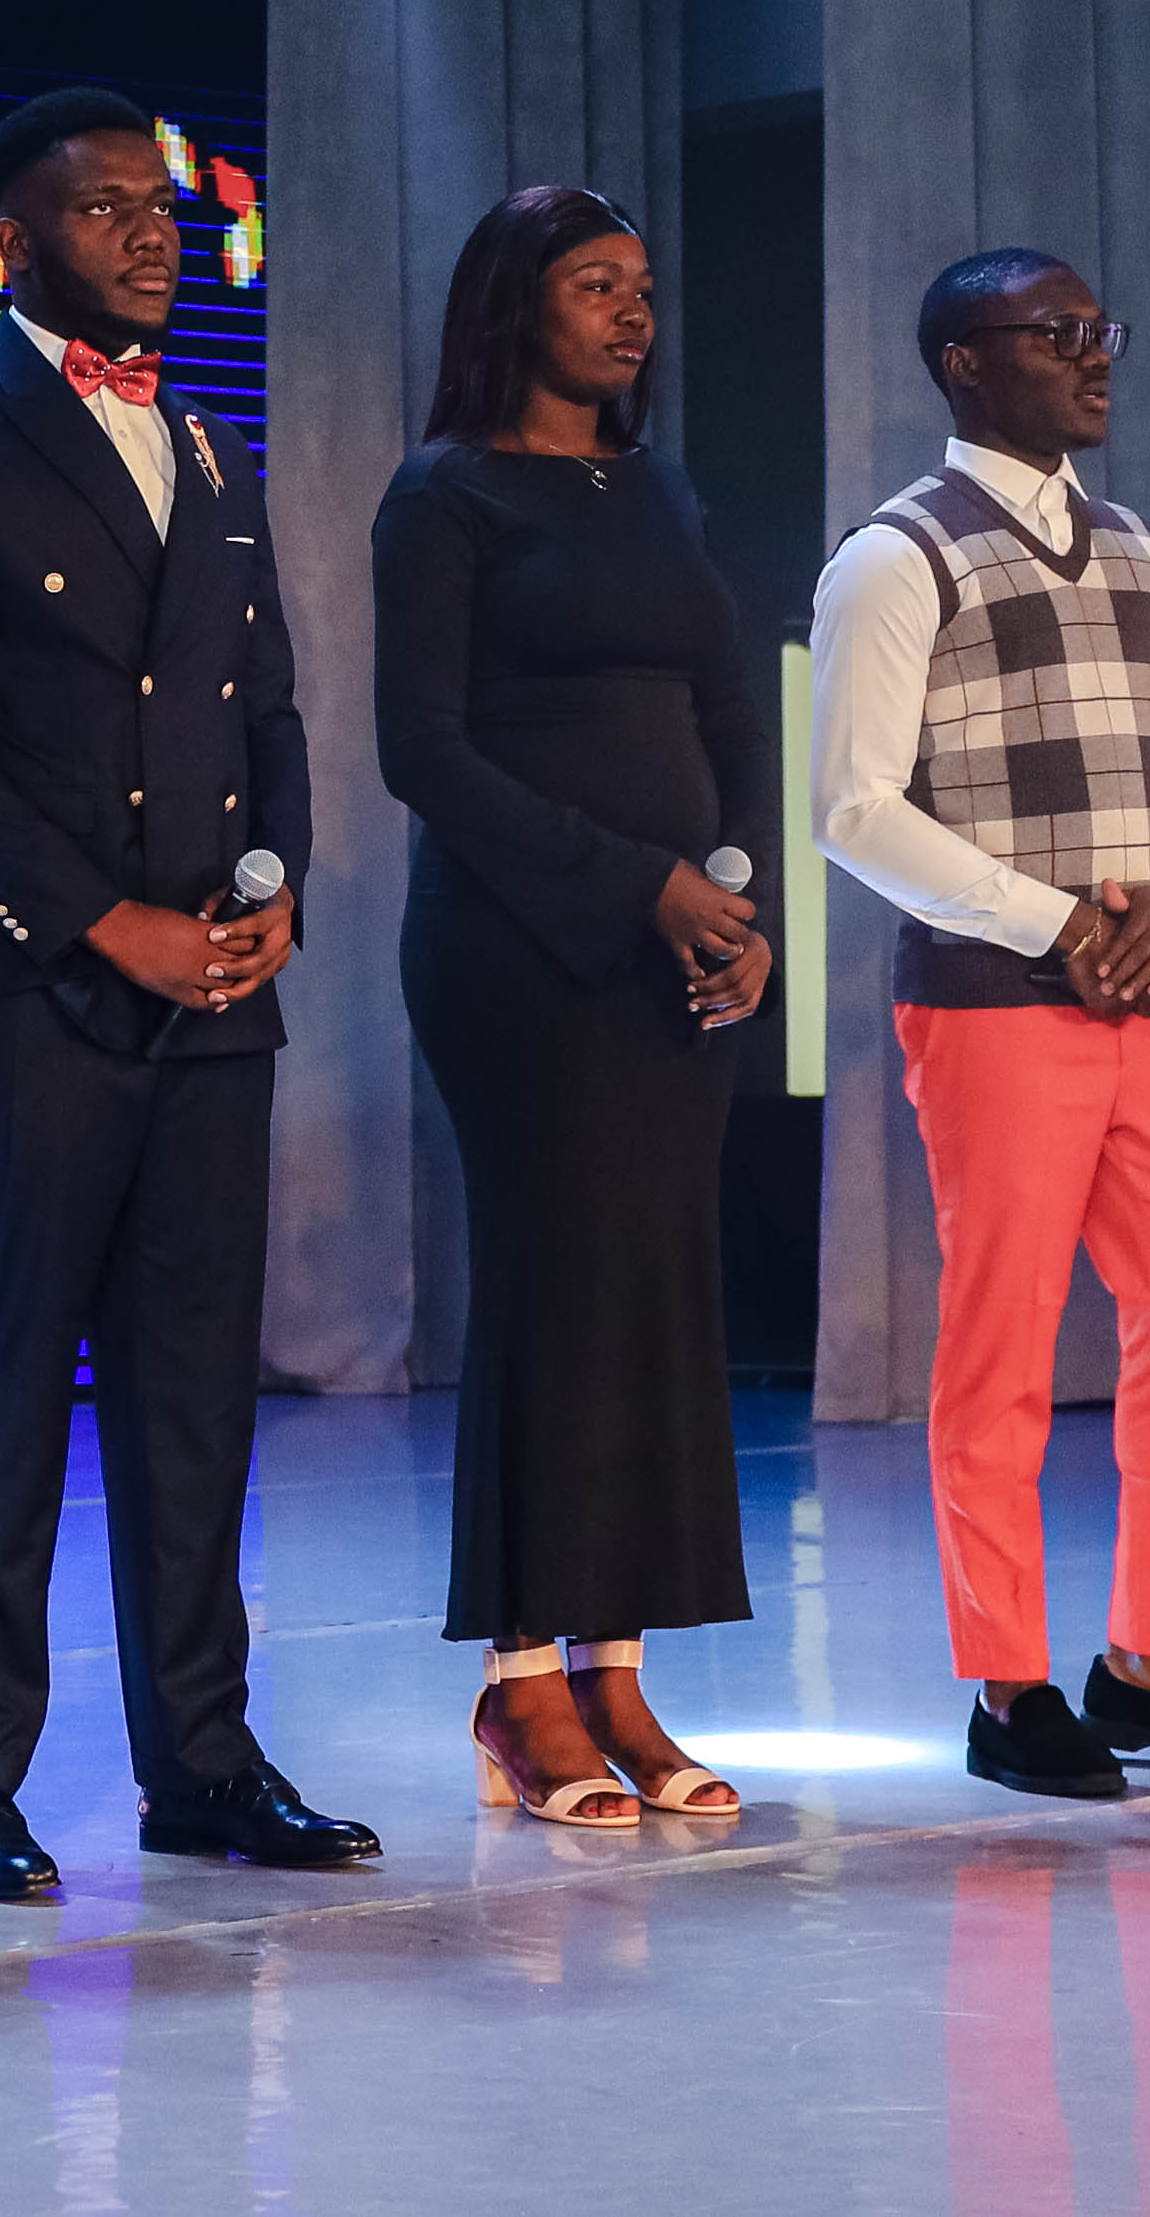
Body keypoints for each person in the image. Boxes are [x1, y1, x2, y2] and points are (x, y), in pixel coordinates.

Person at [0, 86, 378, 1898]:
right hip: (19, 989)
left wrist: (273, 889)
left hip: (215, 986)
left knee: (192, 1396)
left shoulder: (205, 440)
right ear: (12, 238)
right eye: (104, 209)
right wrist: (92, 921)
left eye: (161, 205)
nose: (150, 233)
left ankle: (199, 1762)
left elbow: (266, 706)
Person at [807, 248, 1150, 1798]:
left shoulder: (1149, 549)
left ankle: (1146, 1663)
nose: (1094, 354)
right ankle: (1006, 1683)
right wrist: (1058, 922)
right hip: (994, 1003)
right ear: (963, 362)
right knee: (1002, 1331)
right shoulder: (895, 556)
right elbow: (848, 807)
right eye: (1056, 331)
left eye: (1099, 328)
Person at [371, 187, 774, 1828]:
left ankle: (615, 1668)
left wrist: (739, 904)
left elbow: (727, 706)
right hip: (518, 952)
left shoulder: (655, 485)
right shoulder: (443, 493)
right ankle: (518, 1680)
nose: (630, 313)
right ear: (512, 307)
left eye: (641, 287)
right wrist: (633, 882)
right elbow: (423, 749)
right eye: (594, 284)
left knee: (650, 1297)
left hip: (676, 946)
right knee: (551, 1291)